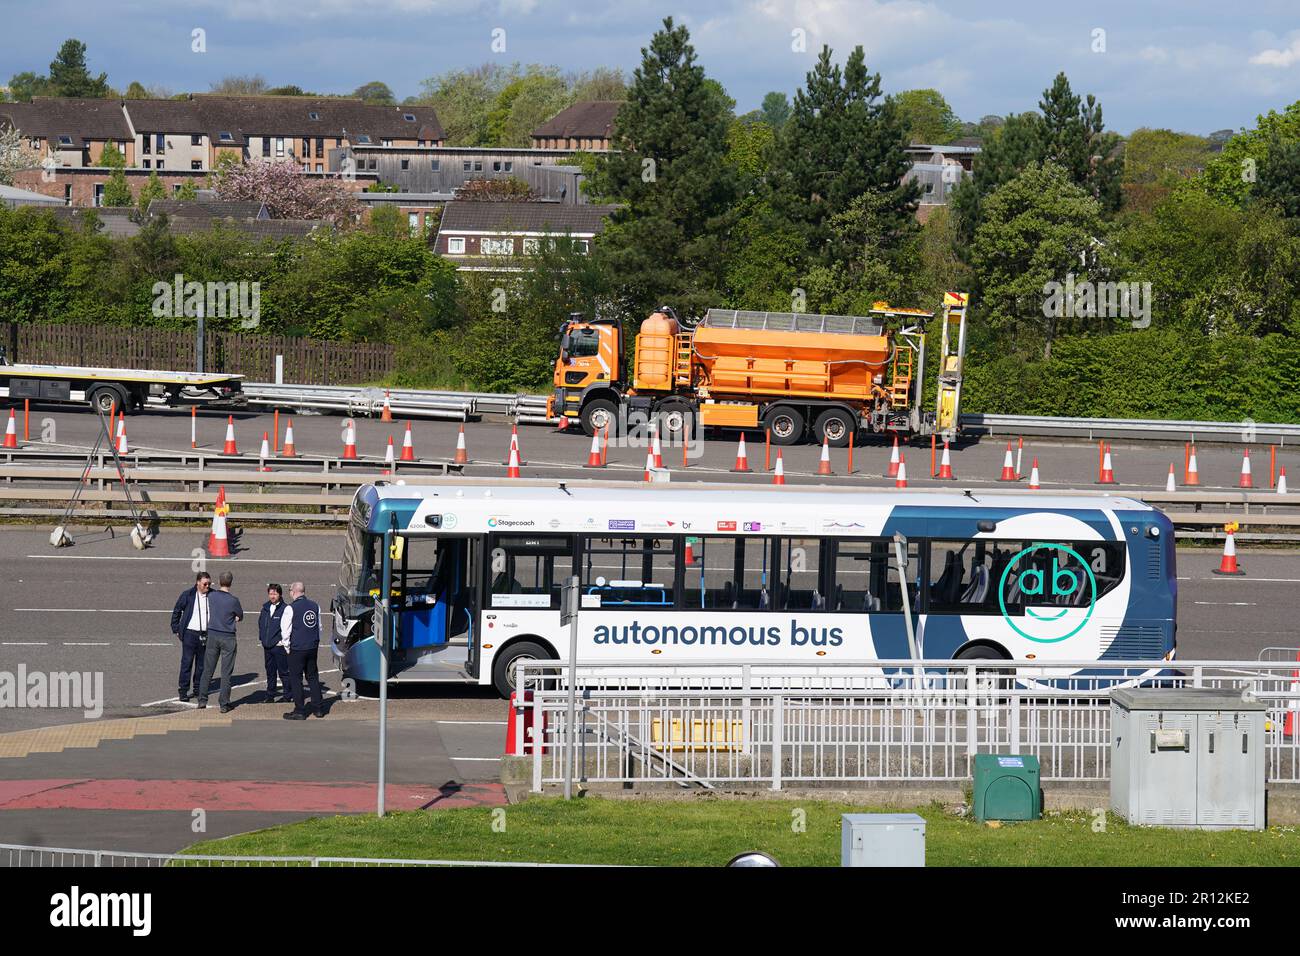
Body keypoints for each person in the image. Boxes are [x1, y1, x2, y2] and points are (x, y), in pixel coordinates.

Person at [198, 571, 244, 713]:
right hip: (228, 636)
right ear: (231, 582)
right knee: (226, 672)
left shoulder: (212, 596)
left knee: (208, 670)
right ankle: (224, 703)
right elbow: (240, 615)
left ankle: (202, 700)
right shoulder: (233, 600)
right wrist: (235, 618)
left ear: (218, 581)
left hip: (213, 634)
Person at [280, 581, 324, 720]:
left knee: (296, 678)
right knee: (312, 676)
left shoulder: (290, 608)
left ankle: (300, 710)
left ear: (294, 591)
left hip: (297, 648)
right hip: (312, 646)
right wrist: (316, 642)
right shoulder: (315, 606)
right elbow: (319, 627)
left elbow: (285, 631)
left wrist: (287, 647)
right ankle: (318, 709)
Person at [170, 572, 212, 702]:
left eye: (209, 584)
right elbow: (177, 611)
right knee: (186, 663)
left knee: (201, 665)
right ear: (198, 582)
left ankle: (198, 689)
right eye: (205, 584)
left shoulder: (213, 595)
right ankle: (183, 690)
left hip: (205, 634)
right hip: (190, 634)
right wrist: (176, 629)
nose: (207, 586)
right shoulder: (188, 595)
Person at [258, 584, 291, 703]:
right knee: (270, 672)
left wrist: (282, 642)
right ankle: (270, 695)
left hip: (279, 647)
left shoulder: (285, 608)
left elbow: (287, 627)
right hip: (267, 646)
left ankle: (288, 695)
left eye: (275, 594)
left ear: (280, 594)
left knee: (284, 672)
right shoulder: (265, 608)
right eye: (271, 594)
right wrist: (262, 639)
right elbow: (261, 624)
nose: (272, 596)